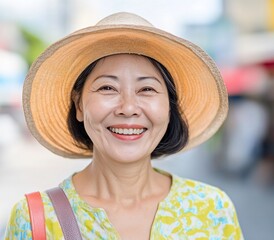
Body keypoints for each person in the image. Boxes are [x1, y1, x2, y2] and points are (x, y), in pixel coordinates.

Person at [4, 12, 243, 239]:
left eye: (147, 89)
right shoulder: (34, 219)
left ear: (169, 107)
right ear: (78, 105)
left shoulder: (212, 209)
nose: (128, 108)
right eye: (107, 88)